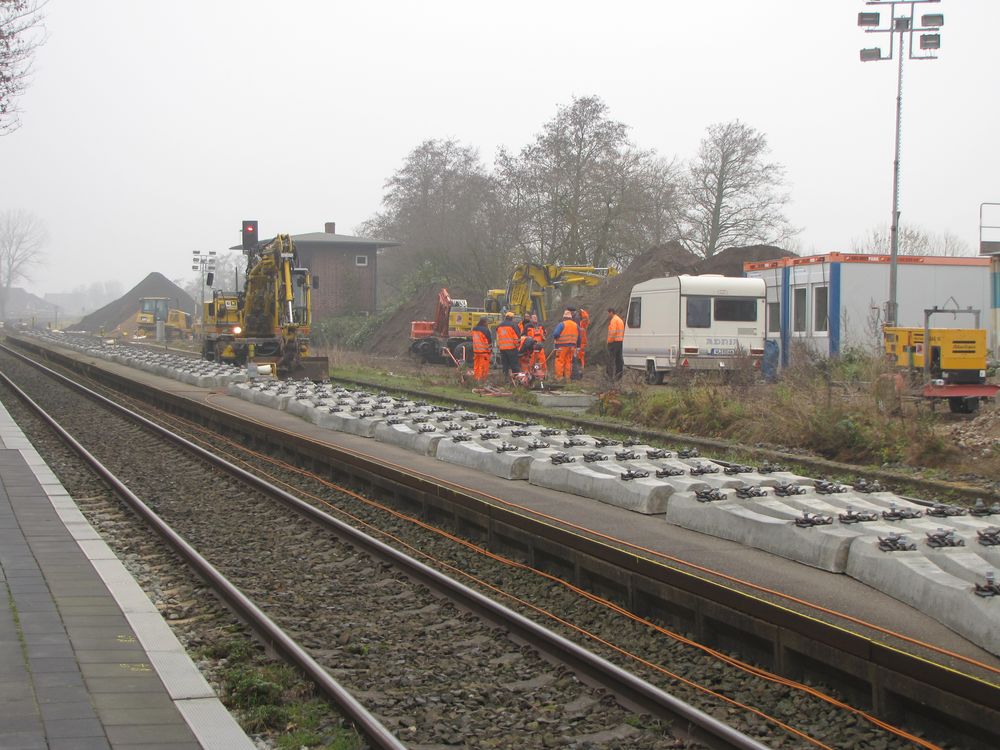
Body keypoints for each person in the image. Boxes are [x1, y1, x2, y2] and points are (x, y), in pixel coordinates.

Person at [549, 309, 580, 381]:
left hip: (561, 346)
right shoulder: (576, 325)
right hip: (572, 347)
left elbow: (555, 334)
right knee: (568, 361)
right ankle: (567, 378)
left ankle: (559, 377)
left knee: (560, 361)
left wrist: (556, 339)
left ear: (564, 317)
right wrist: (578, 347)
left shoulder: (562, 324)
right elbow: (579, 337)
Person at [495, 311, 522, 377]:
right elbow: (517, 337)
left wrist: (499, 346)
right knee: (514, 365)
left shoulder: (499, 326)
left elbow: (497, 338)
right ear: (512, 318)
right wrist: (517, 346)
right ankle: (516, 379)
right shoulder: (513, 325)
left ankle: (505, 379)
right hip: (512, 349)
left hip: (502, 349)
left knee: (505, 365)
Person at [471, 316, 493, 382]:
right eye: (487, 322)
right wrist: (490, 350)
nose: (487, 323)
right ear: (484, 322)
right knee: (484, 367)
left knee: (476, 367)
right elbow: (489, 341)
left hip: (476, 351)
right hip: (484, 352)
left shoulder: (474, 329)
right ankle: (482, 380)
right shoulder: (486, 330)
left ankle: (476, 379)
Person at [606, 307, 625, 380]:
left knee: (611, 359)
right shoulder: (619, 320)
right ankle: (619, 376)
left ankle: (609, 376)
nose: (608, 315)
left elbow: (612, 332)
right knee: (619, 360)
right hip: (620, 341)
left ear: (611, 312)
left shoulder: (614, 320)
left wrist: (609, 341)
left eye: (608, 313)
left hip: (614, 342)